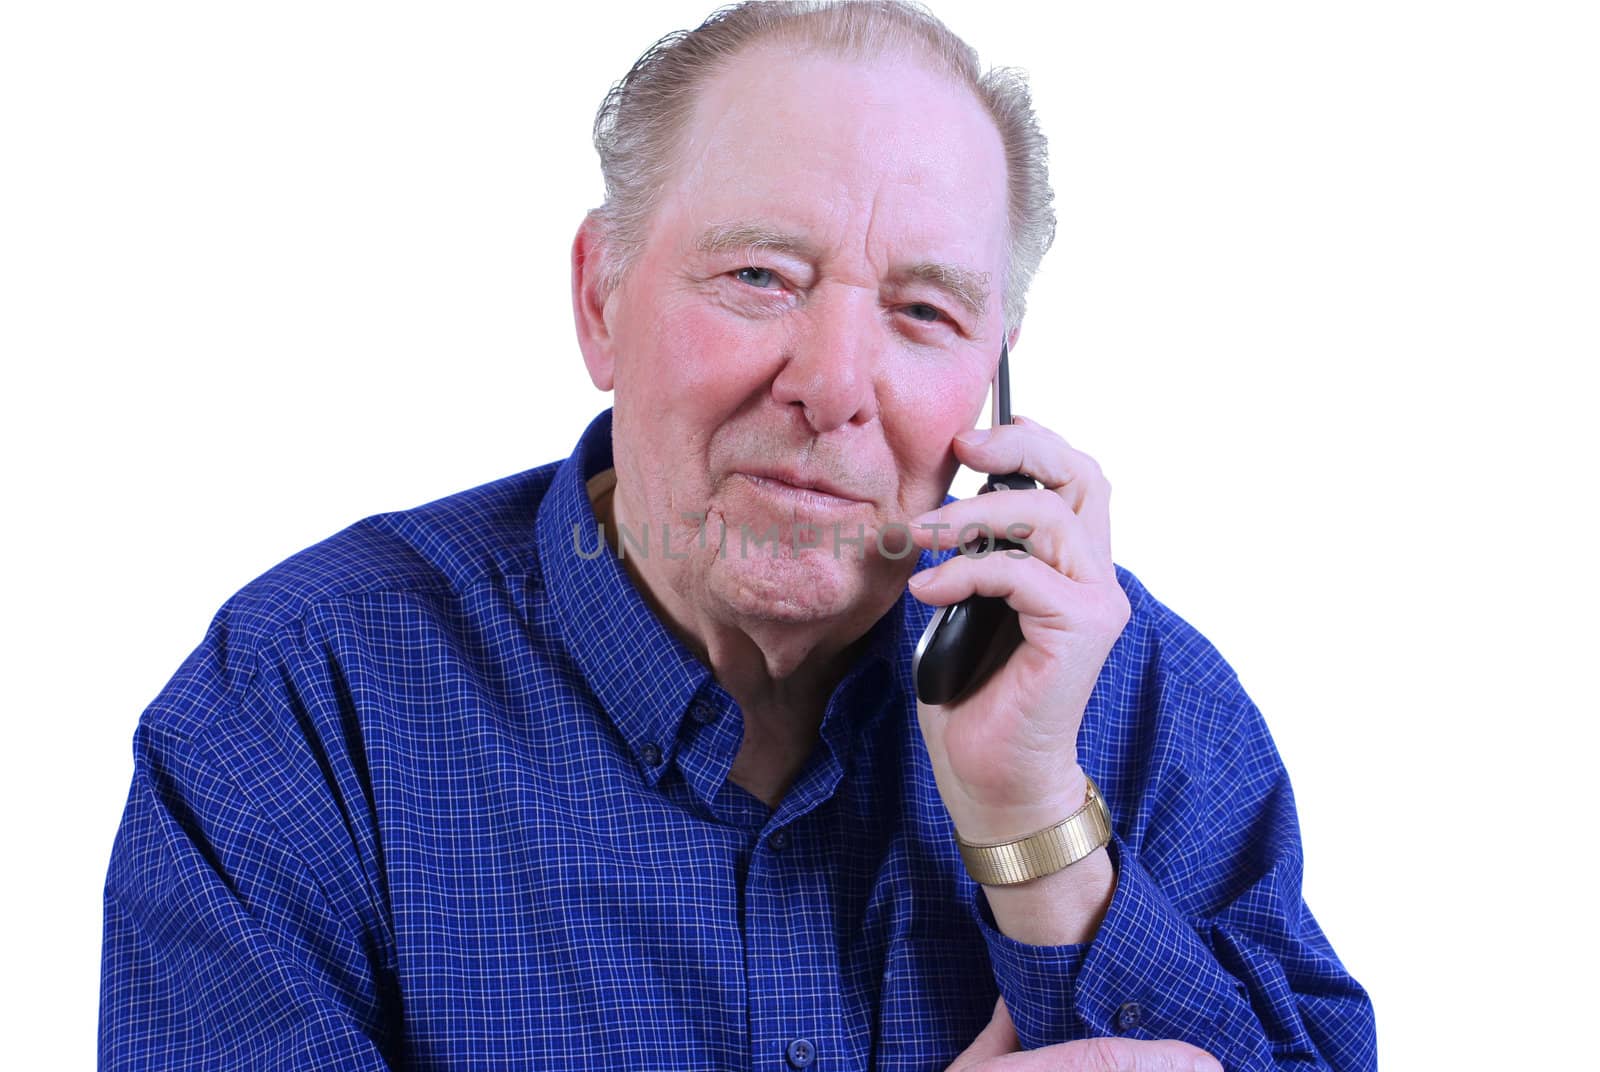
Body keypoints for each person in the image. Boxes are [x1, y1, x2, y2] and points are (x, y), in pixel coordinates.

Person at [99, 3, 1376, 1069]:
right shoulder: (298, 701)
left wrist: (1035, 822)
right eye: (761, 275)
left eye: (924, 310)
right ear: (601, 300)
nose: (835, 383)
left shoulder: (1132, 689)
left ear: (994, 377)